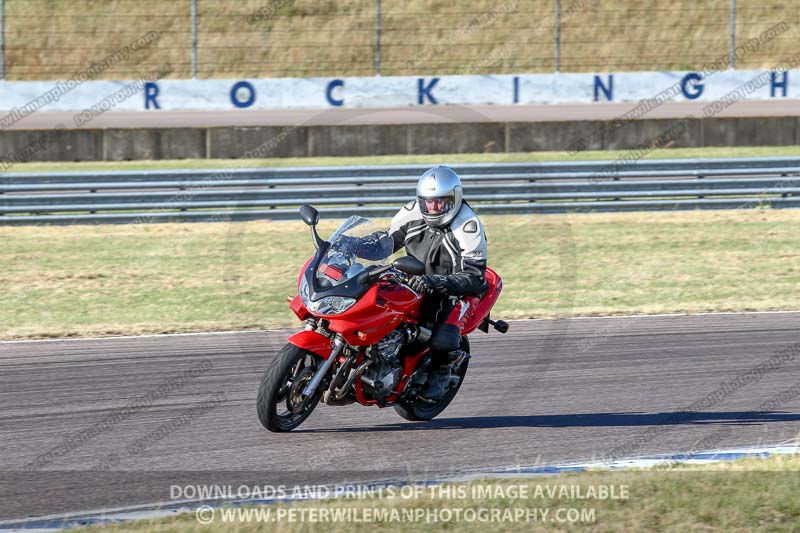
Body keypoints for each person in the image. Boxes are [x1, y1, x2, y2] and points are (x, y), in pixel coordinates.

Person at [387, 165, 488, 399]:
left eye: (439, 202)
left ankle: (442, 369)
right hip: (412, 280)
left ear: (454, 199)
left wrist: (436, 282)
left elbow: (474, 277)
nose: (432, 208)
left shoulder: (467, 225)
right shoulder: (412, 213)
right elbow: (386, 242)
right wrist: (352, 246)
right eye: (427, 202)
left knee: (443, 337)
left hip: (454, 288)